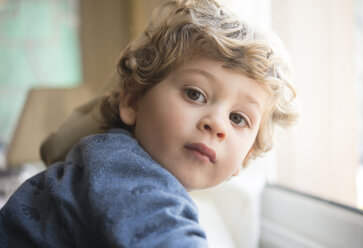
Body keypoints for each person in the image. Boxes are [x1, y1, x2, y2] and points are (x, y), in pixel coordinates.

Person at [0, 0, 298, 247]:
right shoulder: (125, 168)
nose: (217, 124)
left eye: (238, 118)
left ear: (244, 159)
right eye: (195, 94)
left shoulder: (109, 163)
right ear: (133, 102)